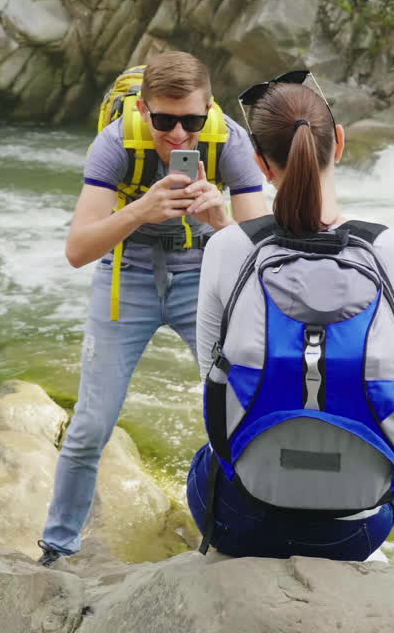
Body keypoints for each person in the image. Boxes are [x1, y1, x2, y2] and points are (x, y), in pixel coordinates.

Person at [186, 71, 394, 561]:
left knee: (204, 462)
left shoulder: (229, 247)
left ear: (259, 164)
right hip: (359, 528)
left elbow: (212, 378)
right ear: (338, 142)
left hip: (242, 519)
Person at [38, 51, 268, 565]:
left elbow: (264, 260)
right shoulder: (115, 142)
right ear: (143, 110)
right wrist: (142, 209)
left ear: (209, 108)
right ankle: (57, 548)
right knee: (91, 426)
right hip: (127, 279)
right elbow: (78, 250)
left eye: (191, 120)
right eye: (164, 121)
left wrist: (219, 218)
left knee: (242, 406)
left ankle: (250, 530)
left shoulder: (229, 141)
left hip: (202, 278)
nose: (180, 136)